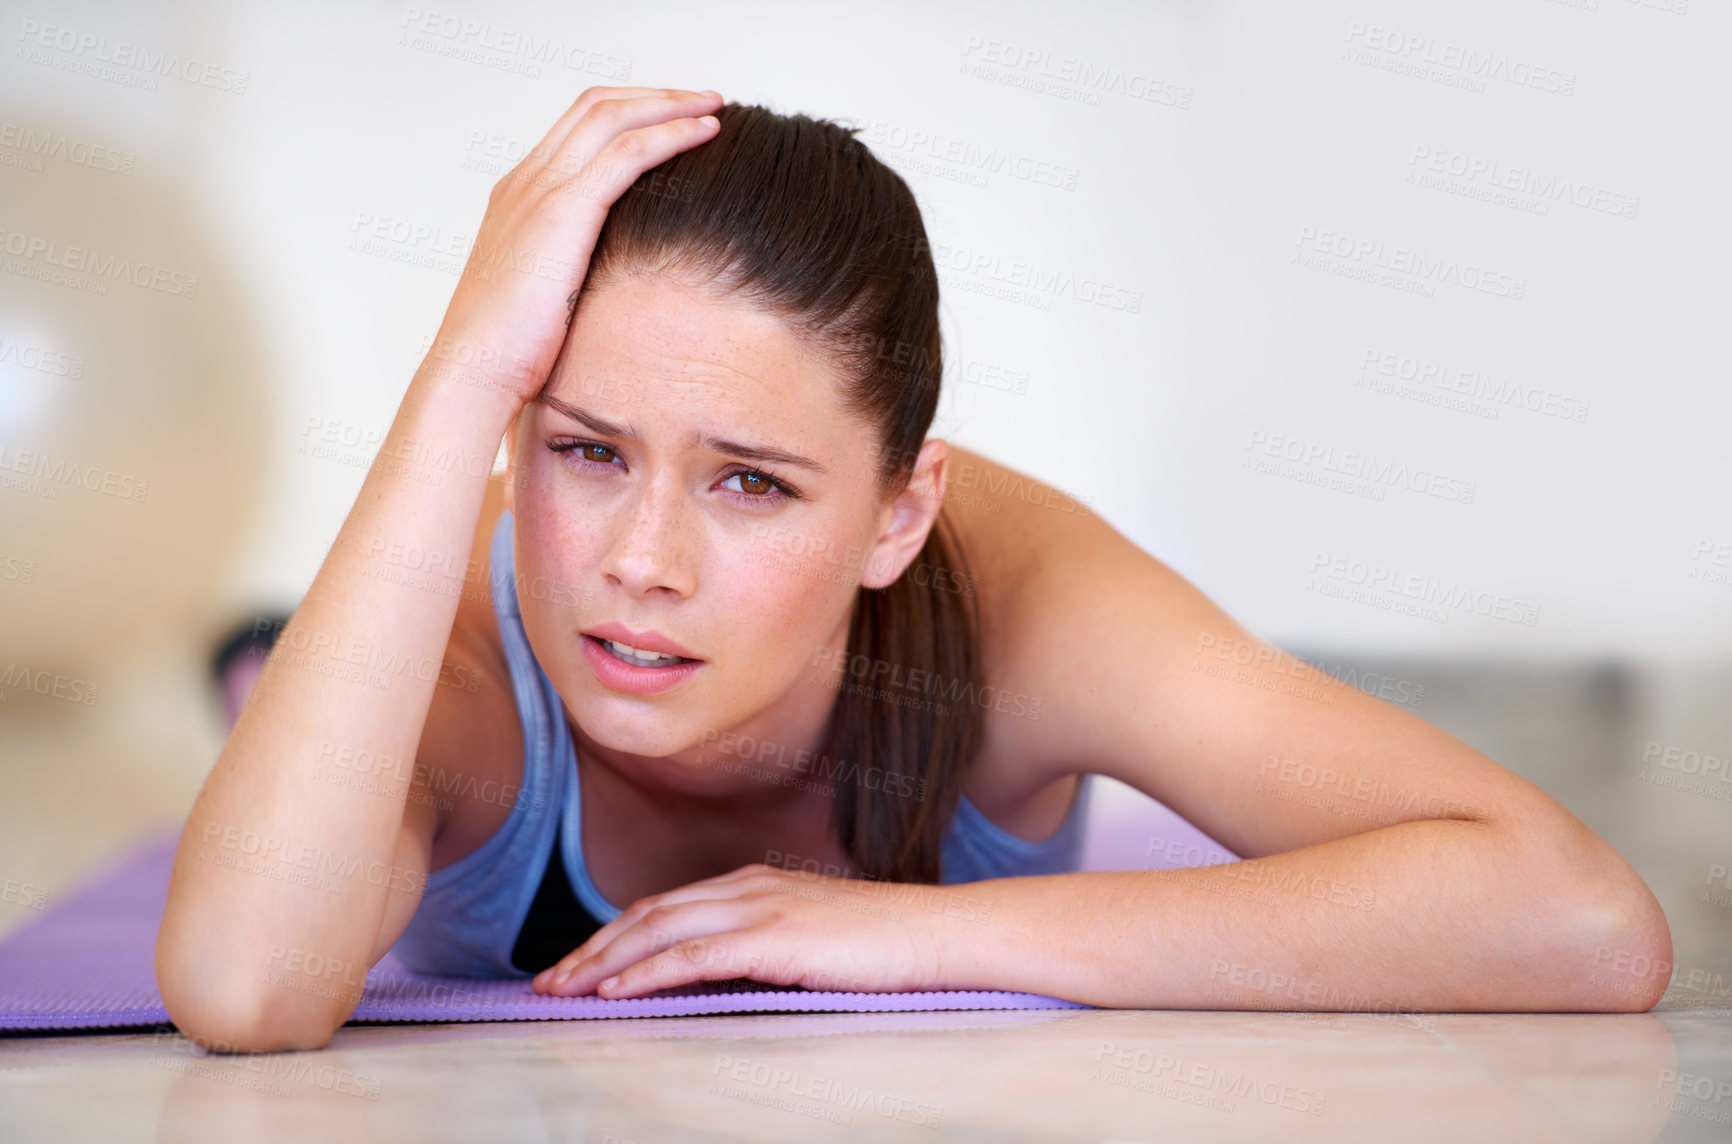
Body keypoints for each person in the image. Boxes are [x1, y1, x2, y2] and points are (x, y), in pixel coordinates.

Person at [156, 88, 1672, 1054]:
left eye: (752, 481)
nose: (638, 564)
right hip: (396, 646)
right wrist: (462, 375)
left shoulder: (1025, 599)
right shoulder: (475, 669)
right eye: (585, 449)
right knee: (295, 685)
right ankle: (270, 654)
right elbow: (241, 981)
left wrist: (906, 930)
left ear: (899, 511)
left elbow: (1580, 918)